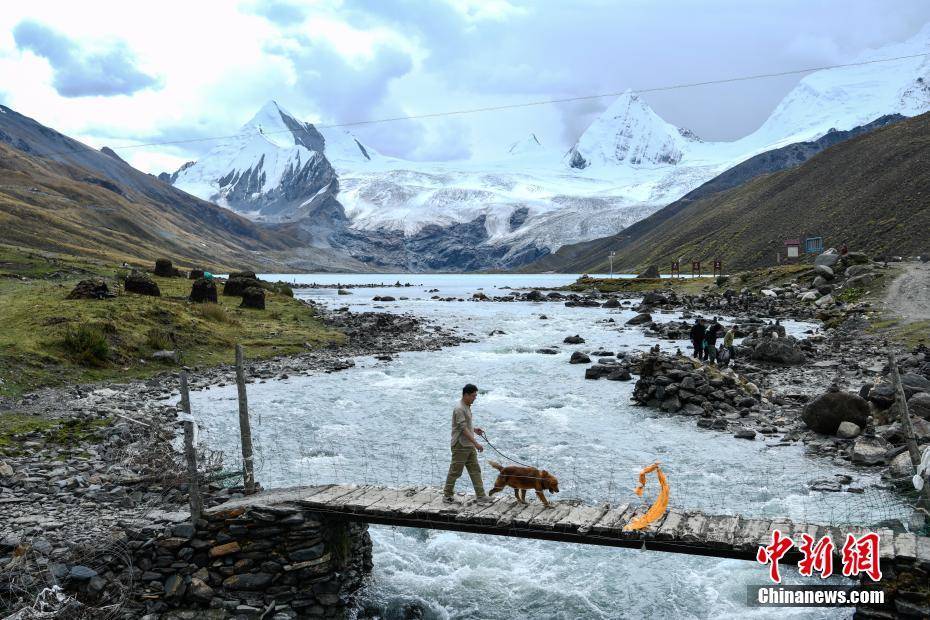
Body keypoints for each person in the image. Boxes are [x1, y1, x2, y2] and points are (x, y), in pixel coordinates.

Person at [443, 384, 490, 503]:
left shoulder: (467, 406)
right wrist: (476, 443)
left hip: (468, 445)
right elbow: (462, 429)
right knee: (455, 471)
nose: (475, 398)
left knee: (475, 470)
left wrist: (474, 430)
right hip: (460, 445)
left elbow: (465, 426)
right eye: (473, 396)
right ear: (466, 395)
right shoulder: (459, 408)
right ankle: (447, 495)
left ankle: (481, 496)